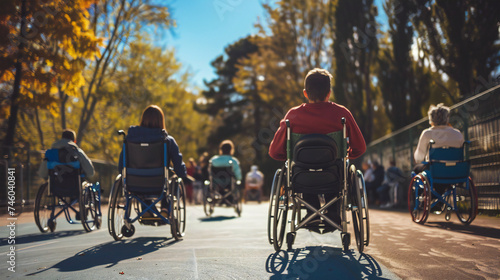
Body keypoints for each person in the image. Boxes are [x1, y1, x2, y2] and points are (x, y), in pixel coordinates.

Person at [269, 68, 366, 230]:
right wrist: (348, 154)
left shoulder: (292, 116)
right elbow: (360, 148)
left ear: (305, 93)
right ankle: (333, 213)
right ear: (329, 93)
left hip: (301, 177)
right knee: (339, 168)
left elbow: (274, 152)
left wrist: (290, 156)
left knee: (303, 167)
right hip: (334, 176)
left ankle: (310, 212)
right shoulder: (342, 113)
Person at [118, 105, 187, 216]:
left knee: (142, 188)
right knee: (172, 183)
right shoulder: (168, 140)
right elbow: (178, 166)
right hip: (159, 182)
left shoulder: (130, 139)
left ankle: (146, 209)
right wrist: (182, 174)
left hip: (134, 182)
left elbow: (122, 164)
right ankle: (165, 208)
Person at [413, 103, 464, 173]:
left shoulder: (427, 134)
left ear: (431, 119)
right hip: (455, 170)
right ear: (447, 118)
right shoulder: (457, 134)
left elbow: (419, 158)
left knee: (416, 169)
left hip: (435, 171)